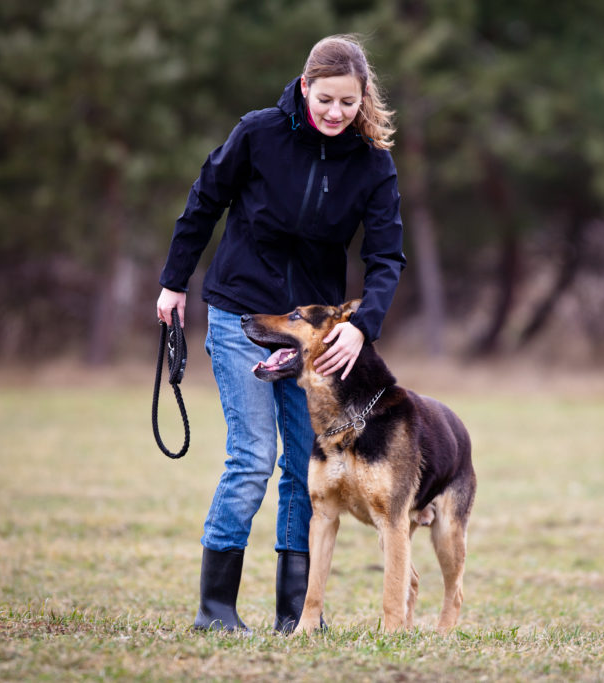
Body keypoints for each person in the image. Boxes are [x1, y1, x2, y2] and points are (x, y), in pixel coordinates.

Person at [156, 34, 405, 634]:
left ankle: (296, 613)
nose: (336, 112)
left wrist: (361, 326)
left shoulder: (372, 164)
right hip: (240, 314)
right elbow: (204, 201)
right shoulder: (258, 133)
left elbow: (386, 257)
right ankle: (215, 609)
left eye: (348, 102)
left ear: (363, 98)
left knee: (304, 466)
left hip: (311, 341)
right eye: (325, 100)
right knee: (252, 458)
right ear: (304, 87)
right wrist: (173, 282)